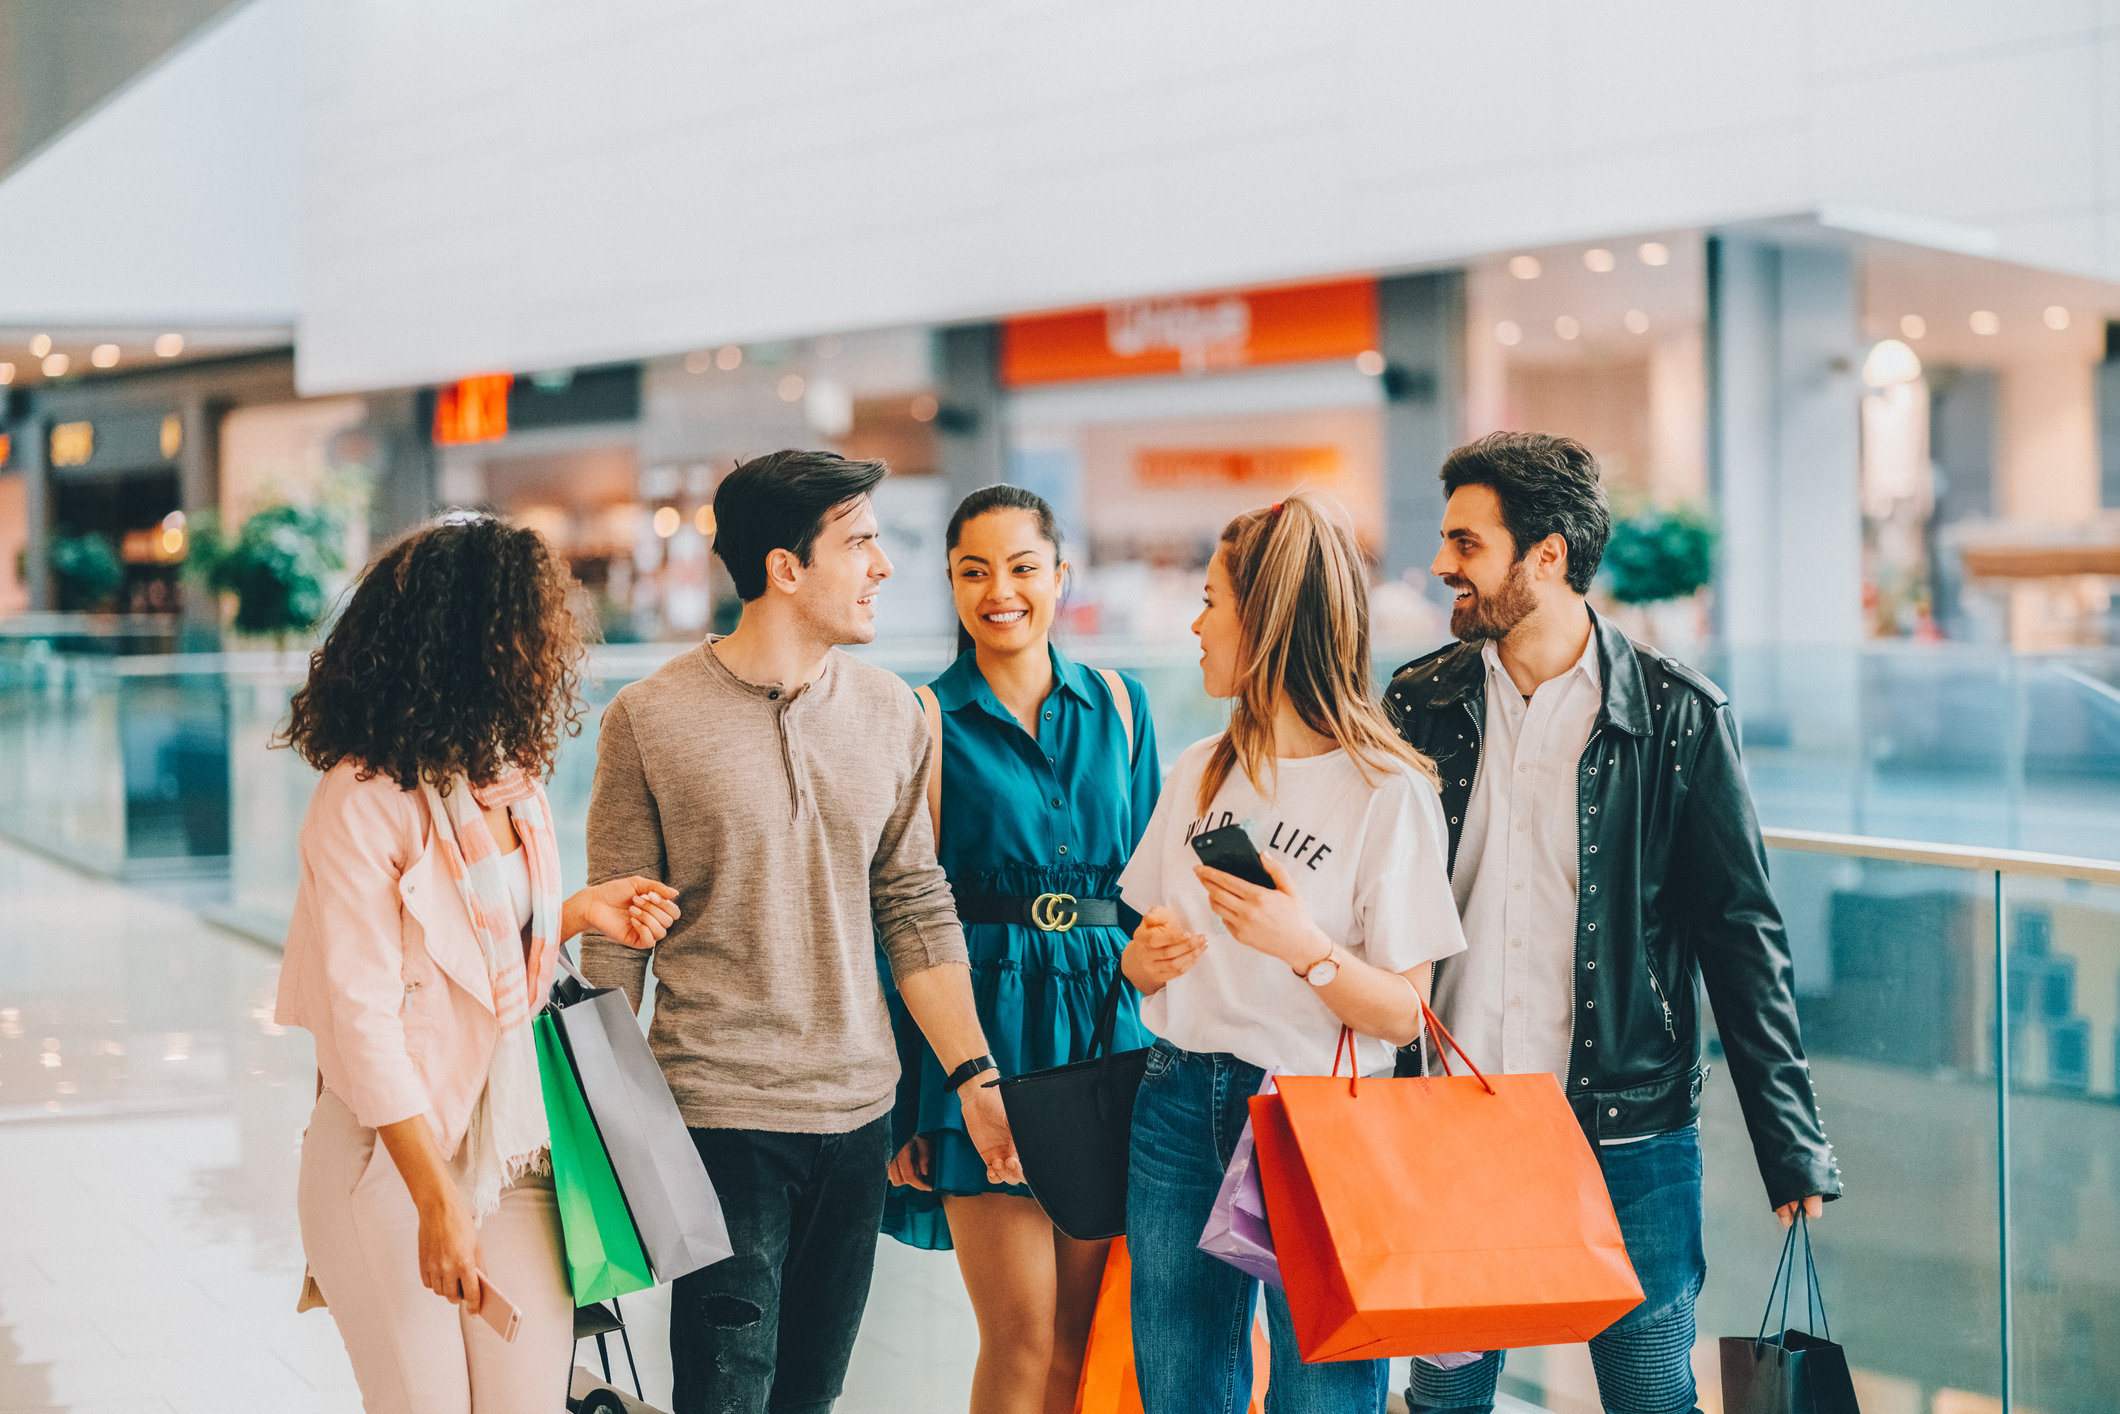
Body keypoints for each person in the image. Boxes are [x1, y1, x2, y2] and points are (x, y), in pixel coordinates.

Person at [1386, 432, 1843, 1414]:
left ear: (1543, 555)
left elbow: (1739, 932)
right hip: (1450, 1118)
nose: (1440, 565)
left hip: (1625, 1130)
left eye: (1465, 542)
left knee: (1646, 1398)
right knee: (1446, 1399)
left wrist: (1789, 1141)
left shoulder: (1677, 715)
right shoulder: (1418, 701)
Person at [580, 449, 1022, 1414]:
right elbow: (614, 940)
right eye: (860, 542)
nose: (883, 566)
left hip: (859, 1119)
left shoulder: (897, 715)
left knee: (809, 1397)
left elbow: (912, 902)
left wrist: (974, 1078)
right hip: (718, 1118)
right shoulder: (647, 720)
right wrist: (601, 1138)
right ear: (786, 567)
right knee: (726, 1395)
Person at [275, 516, 682, 1414]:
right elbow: (361, 1021)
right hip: (392, 1162)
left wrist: (574, 914)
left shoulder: (510, 782)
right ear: (473, 638)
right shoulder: (362, 800)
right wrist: (435, 1198)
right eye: (533, 624)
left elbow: (491, 964)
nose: (550, 645)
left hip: (511, 1147)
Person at [1116, 493, 1467, 1414]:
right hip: (1178, 1095)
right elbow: (1138, 953)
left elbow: (1405, 1012)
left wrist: (1304, 948)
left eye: (1210, 600)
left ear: (1267, 618)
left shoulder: (1385, 791)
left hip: (1316, 1117)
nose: (1194, 624)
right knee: (1179, 1389)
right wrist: (1146, 958)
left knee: (1326, 1397)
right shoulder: (1202, 767)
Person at [881, 485, 1161, 1414]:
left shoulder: (1121, 706)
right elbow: (900, 921)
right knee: (1020, 1334)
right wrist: (911, 1099)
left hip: (1106, 1031)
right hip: (983, 1038)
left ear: (1060, 573)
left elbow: (1153, 886)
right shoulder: (921, 721)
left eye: (1022, 567)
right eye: (974, 571)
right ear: (953, 586)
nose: (1000, 590)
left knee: (1079, 1340)